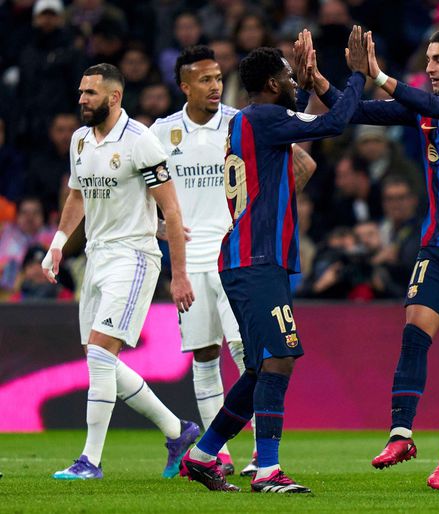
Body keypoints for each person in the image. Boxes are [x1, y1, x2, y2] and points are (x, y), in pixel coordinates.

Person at [299, 26, 439, 490]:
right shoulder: (424, 108)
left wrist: (378, 74)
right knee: (415, 332)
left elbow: (432, 105)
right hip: (437, 242)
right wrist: (319, 82)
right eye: (429, 59)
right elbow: (358, 111)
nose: (430, 68)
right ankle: (401, 435)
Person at [178, 26, 370, 493]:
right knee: (280, 358)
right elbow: (333, 124)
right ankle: (267, 470)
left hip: (250, 259)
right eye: (286, 75)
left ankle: (202, 455)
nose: (292, 81)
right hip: (256, 258)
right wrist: (357, 76)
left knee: (260, 367)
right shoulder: (264, 118)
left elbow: (301, 129)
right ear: (269, 84)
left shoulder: (250, 121)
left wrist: (308, 85)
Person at [151, 45, 317, 477]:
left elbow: (303, 163)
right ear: (184, 86)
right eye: (204, 80)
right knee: (206, 355)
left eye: (218, 78)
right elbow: (139, 187)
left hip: (237, 250)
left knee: (251, 352)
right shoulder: (163, 132)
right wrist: (157, 228)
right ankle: (216, 455)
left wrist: (263, 211)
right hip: (192, 257)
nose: (214, 86)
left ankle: (260, 455)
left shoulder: (242, 120)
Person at [44, 63, 199, 480]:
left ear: (114, 97)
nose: (82, 99)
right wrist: (58, 242)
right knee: (99, 359)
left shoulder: (140, 141)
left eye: (90, 93)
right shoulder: (80, 140)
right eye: (81, 92)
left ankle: (90, 461)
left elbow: (171, 210)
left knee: (99, 355)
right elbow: (78, 195)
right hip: (95, 256)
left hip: (133, 257)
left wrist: (179, 275)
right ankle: (177, 431)